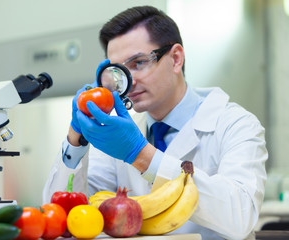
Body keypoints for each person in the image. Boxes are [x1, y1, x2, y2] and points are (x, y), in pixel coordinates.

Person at [43, 5, 267, 240]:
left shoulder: (236, 124)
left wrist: (141, 155)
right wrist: (75, 142)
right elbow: (66, 221)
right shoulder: (119, 131)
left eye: (138, 63)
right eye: (118, 71)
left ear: (176, 59)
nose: (128, 83)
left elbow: (241, 215)